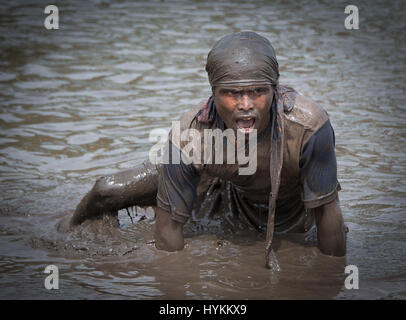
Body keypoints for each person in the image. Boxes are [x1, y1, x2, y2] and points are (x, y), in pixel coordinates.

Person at [69, 31, 347, 270]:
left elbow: (326, 213)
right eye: (232, 93)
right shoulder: (190, 135)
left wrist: (329, 281)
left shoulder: (308, 127)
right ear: (212, 93)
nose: (246, 103)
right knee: (106, 191)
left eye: (257, 91)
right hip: (218, 191)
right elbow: (168, 232)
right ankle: (64, 238)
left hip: (291, 214)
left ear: (275, 89)